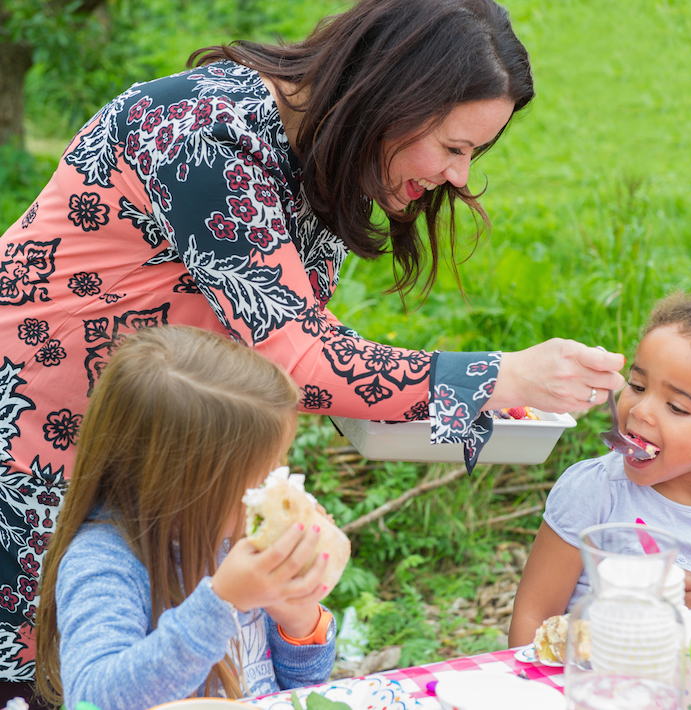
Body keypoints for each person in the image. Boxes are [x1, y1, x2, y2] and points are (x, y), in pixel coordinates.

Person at [0, 0, 624, 697]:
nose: (459, 177)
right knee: (52, 675)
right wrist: (495, 376)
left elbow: (300, 349)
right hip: (33, 447)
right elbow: (296, 359)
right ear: (393, 97)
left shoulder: (324, 164)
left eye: (474, 154)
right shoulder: (203, 131)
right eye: (454, 147)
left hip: (147, 457)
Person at [34, 325, 336, 709]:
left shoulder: (235, 538)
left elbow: (301, 690)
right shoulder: (105, 562)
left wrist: (298, 622)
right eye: (263, 473)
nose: (277, 482)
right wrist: (221, 601)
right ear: (188, 483)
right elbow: (94, 699)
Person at [508, 292, 691, 648]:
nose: (640, 411)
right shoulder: (595, 492)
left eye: (676, 407)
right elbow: (532, 620)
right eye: (636, 385)